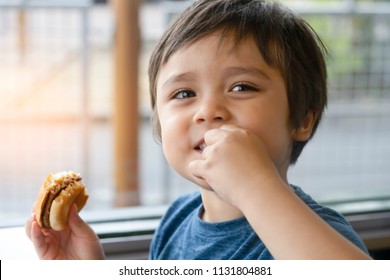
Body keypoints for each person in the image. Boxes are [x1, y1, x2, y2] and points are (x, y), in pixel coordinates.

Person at [25, 0, 371, 260]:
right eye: (184, 94)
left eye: (241, 87)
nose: (208, 112)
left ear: (302, 119)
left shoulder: (318, 238)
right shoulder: (176, 221)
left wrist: (254, 187)